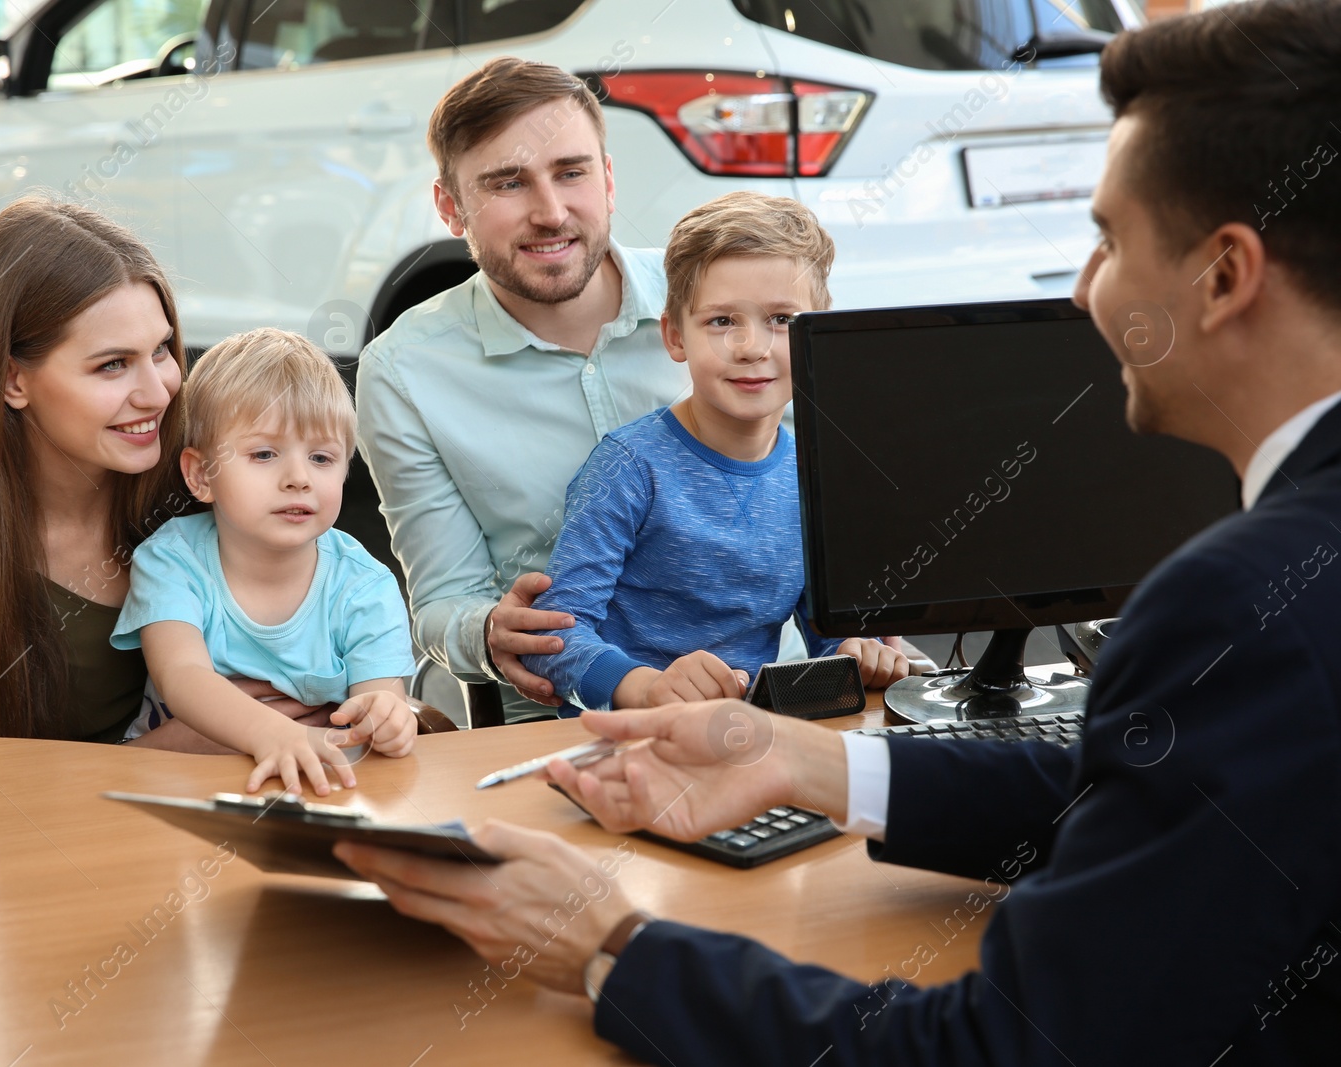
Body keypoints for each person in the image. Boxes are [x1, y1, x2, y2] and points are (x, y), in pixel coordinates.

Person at [335, 2, 1341, 1062]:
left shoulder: (1235, 605)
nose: (1085, 287)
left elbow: (999, 1046)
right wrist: (804, 761)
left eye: (1105, 238)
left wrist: (608, 943)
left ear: (1224, 275)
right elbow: (1143, 787)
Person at [356, 58, 870, 721]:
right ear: (451, 207)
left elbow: (824, 503)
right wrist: (486, 630)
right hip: (563, 717)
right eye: (508, 183)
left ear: (606, 178)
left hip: (775, 693)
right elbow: (441, 599)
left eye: (571, 173)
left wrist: (864, 627)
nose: (550, 212)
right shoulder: (404, 372)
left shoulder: (727, 298)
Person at [520, 191, 907, 712]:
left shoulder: (813, 477)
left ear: (821, 336)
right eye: (722, 321)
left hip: (750, 737)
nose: (752, 347)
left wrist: (856, 650)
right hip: (630, 742)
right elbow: (556, 636)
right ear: (676, 337)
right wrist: (646, 687)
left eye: (782, 320)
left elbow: (826, 636)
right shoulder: (628, 466)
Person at [0, 197, 244, 748]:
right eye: (113, 365)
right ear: (12, 381)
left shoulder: (203, 473)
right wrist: (178, 748)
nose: (158, 393)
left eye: (162, 349)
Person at [111, 329, 418, 795]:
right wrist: (274, 733)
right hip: (172, 787)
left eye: (321, 457)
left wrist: (387, 719)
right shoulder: (173, 560)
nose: (298, 478)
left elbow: (380, 701)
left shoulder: (364, 586)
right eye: (264, 454)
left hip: (311, 789)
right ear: (200, 474)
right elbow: (183, 676)